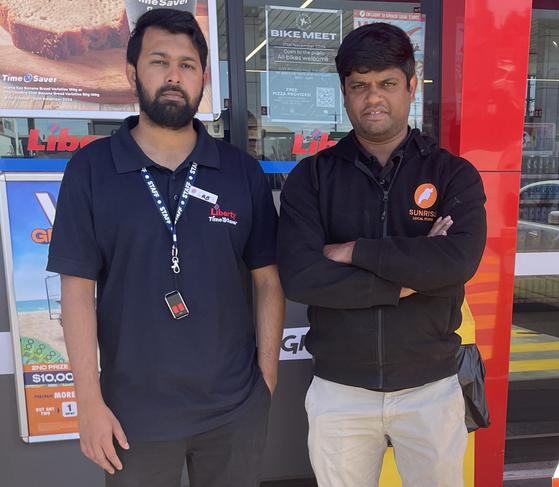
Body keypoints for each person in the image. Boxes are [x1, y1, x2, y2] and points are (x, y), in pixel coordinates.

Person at [47, 9, 284, 487]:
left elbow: (268, 282)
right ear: (132, 72)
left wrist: (266, 381)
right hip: (133, 417)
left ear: (202, 79)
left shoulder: (241, 173)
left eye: (188, 64)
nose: (174, 76)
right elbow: (76, 292)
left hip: (233, 411)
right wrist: (88, 402)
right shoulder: (91, 170)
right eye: (159, 61)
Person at [277, 22, 486, 487]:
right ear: (345, 93)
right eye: (360, 86)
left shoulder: (453, 174)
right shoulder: (312, 178)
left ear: (411, 87)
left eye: (387, 83)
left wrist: (354, 251)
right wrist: (414, 273)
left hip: (430, 389)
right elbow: (302, 276)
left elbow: (456, 263)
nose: (374, 98)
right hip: (340, 392)